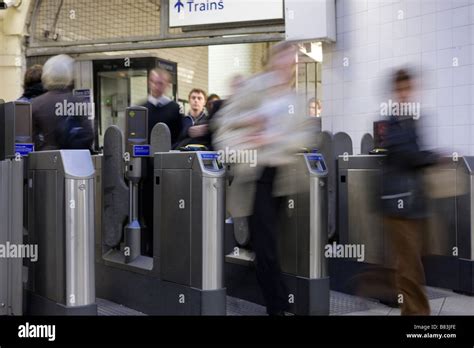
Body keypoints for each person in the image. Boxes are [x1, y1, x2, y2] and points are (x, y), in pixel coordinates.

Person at [213, 42, 317, 316]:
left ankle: (279, 302)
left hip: (282, 179)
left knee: (271, 245)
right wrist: (252, 123)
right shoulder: (253, 87)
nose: (289, 66)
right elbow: (223, 124)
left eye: (293, 61)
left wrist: (274, 138)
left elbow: (306, 135)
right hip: (254, 176)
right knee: (266, 246)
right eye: (285, 59)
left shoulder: (296, 98)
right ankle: (278, 306)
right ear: (272, 61)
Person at [381, 68, 438, 315]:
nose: (406, 94)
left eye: (409, 89)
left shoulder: (413, 120)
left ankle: (411, 312)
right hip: (399, 204)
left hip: (415, 203)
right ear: (395, 93)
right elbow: (407, 155)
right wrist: (433, 157)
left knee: (412, 263)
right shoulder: (391, 123)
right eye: (401, 89)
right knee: (409, 266)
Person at [31, 54, 94, 151]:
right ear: (69, 76)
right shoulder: (78, 102)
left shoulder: (36, 104)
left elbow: (31, 139)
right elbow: (88, 135)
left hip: (45, 160)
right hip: (75, 159)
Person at [143, 68, 183, 146]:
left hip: (169, 154)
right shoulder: (142, 109)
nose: (156, 87)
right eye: (153, 82)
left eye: (160, 83)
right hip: (146, 154)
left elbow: (179, 136)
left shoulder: (175, 109)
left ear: (167, 85)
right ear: (149, 83)